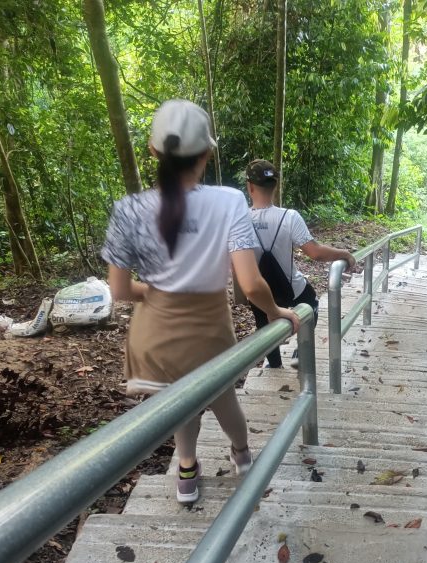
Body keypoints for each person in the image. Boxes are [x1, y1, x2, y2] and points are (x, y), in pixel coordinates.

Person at [101, 100, 299, 504]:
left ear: (154, 153)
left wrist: (152, 293)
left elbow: (120, 291)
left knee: (181, 401)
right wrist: (277, 312)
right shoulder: (228, 203)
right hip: (208, 329)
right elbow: (251, 282)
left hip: (153, 339)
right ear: (206, 155)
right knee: (222, 396)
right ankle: (243, 458)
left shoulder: (128, 210)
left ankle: (186, 473)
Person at [245, 159, 356, 368]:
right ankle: (299, 352)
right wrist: (344, 253)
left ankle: (274, 364)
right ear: (275, 186)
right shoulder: (289, 217)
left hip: (258, 289)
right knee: (311, 304)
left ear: (250, 186)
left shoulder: (240, 219)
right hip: (290, 288)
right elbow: (315, 253)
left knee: (262, 320)